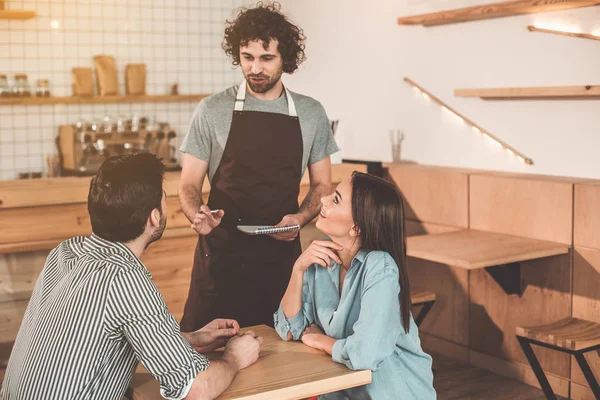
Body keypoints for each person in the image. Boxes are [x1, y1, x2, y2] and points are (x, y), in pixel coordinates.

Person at [1, 153, 262, 400]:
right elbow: (195, 387)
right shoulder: (125, 277)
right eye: (163, 198)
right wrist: (234, 359)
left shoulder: (66, 252)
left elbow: (92, 340)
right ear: (154, 217)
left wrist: (190, 339)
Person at [178, 2, 338, 331]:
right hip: (222, 256)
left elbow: (323, 184)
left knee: (279, 353)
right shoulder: (211, 110)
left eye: (266, 58)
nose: (255, 69)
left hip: (279, 259)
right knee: (208, 351)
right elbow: (188, 185)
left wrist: (301, 218)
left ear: (286, 59)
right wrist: (198, 214)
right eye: (247, 57)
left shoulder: (310, 114)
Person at [274, 172, 436, 400]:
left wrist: (322, 340)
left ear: (356, 228)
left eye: (336, 199)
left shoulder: (380, 267)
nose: (323, 200)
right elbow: (290, 330)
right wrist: (298, 268)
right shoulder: (320, 259)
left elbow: (365, 353)